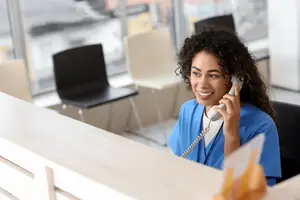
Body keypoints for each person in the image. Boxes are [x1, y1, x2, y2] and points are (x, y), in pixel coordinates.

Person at [168, 27, 281, 186]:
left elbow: (249, 192)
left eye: (213, 75)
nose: (202, 84)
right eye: (196, 73)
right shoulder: (188, 111)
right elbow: (175, 165)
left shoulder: (260, 126)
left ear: (235, 80)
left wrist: (232, 134)